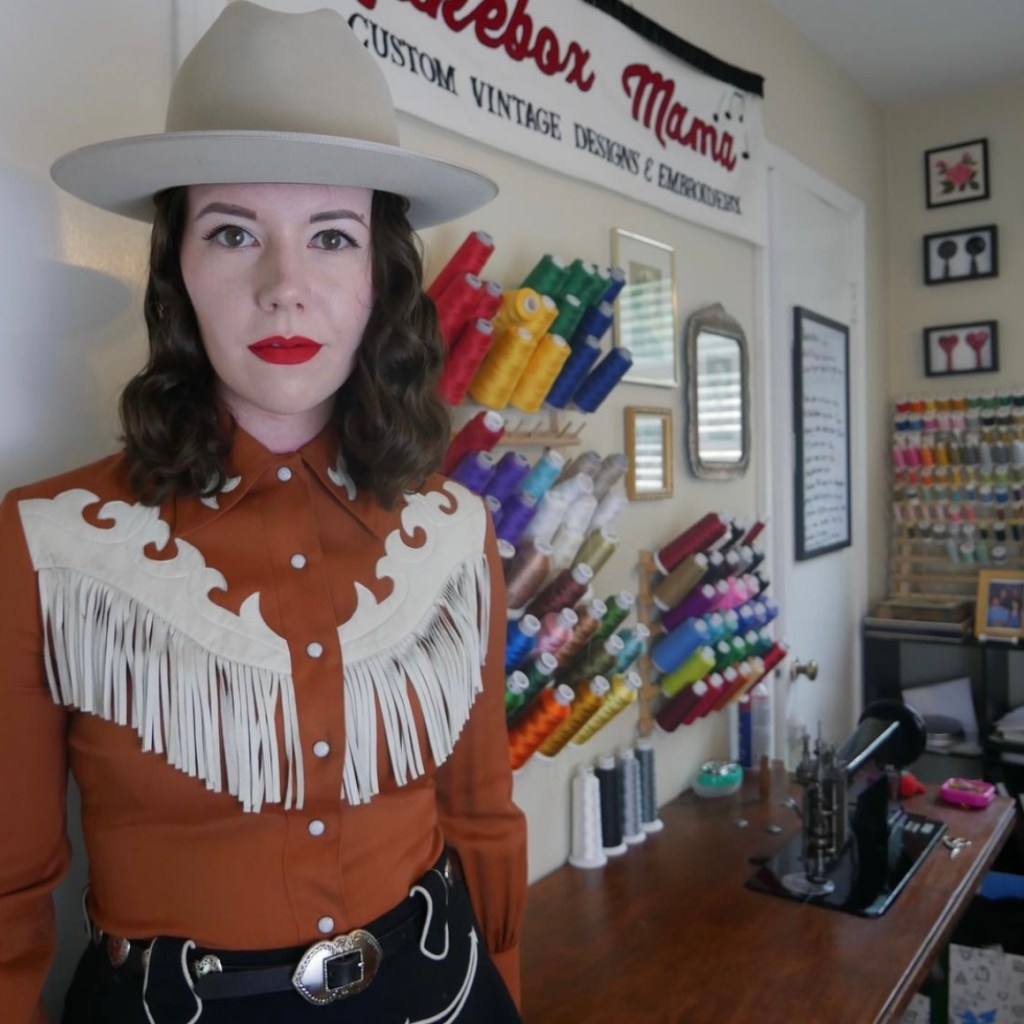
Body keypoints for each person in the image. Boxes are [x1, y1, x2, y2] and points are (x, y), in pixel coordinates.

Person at [0, 4, 526, 1022]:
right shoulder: (46, 544)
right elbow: (8, 892)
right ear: (178, 268)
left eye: (330, 237)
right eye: (234, 232)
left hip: (442, 983)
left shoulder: (456, 533)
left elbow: (482, 816)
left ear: (377, 274)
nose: (285, 287)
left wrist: (504, 991)